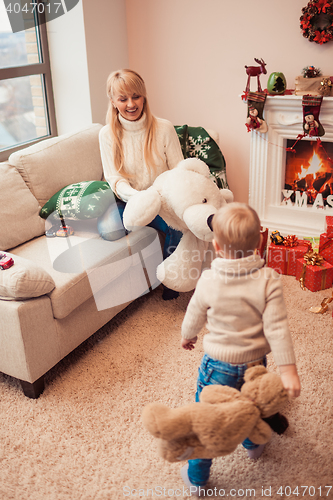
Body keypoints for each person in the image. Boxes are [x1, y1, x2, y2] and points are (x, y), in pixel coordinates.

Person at [180, 202, 301, 494]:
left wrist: (188, 336)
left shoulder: (208, 279)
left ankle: (197, 479)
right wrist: (288, 371)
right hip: (255, 365)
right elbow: (278, 328)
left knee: (208, 420)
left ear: (217, 245)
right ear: (261, 240)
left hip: (217, 365)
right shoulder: (269, 280)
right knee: (252, 404)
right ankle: (254, 444)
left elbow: (194, 314)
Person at [98, 69, 184, 300]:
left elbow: (179, 170)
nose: (131, 104)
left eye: (136, 96)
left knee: (179, 226)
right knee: (108, 230)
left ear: (144, 97)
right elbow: (114, 179)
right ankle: (148, 224)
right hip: (129, 201)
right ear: (113, 101)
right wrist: (137, 197)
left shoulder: (164, 128)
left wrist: (162, 200)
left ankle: (171, 279)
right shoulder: (106, 135)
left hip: (163, 200)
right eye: (123, 98)